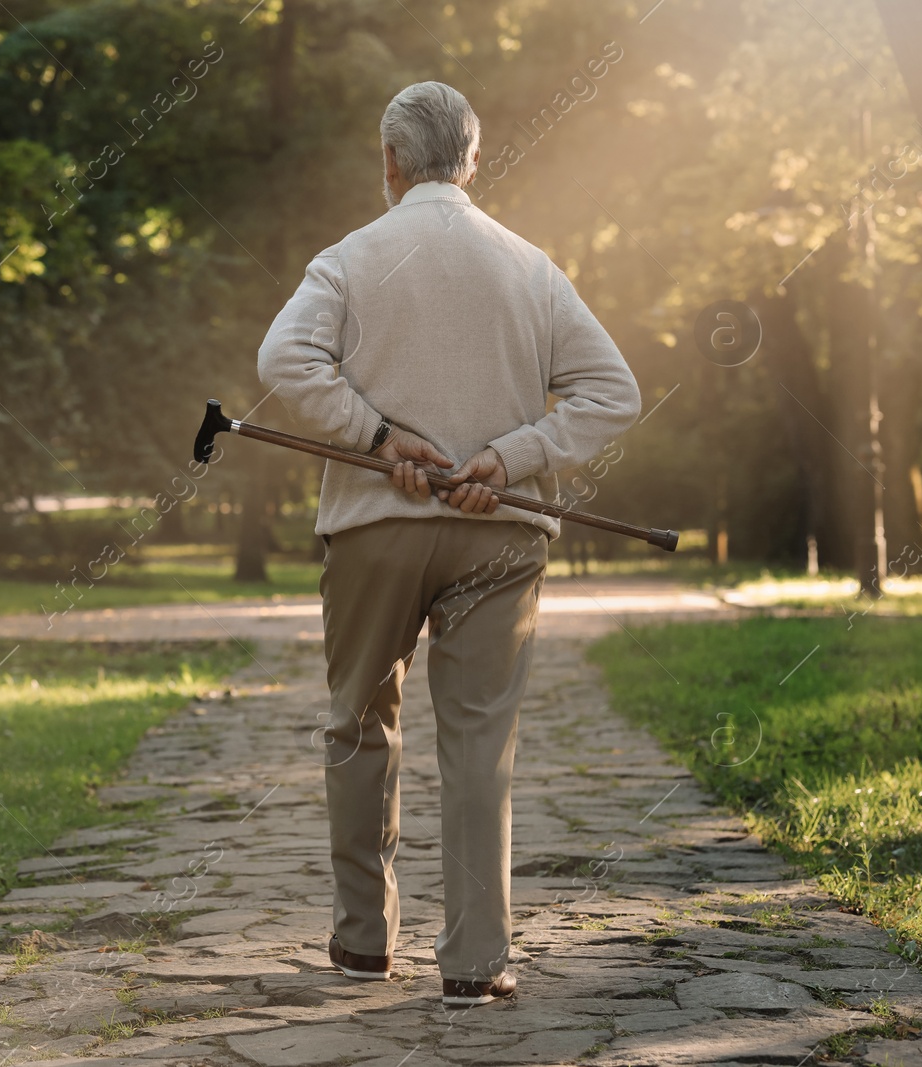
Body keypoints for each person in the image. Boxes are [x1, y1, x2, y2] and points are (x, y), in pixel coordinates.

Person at [256, 80, 640, 1007]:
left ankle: (361, 943)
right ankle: (475, 964)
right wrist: (511, 459)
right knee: (479, 747)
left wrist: (378, 439)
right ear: (472, 159)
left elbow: (283, 363)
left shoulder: (348, 259)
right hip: (499, 539)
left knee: (358, 725)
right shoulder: (533, 267)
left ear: (390, 162)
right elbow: (611, 392)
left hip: (374, 529)